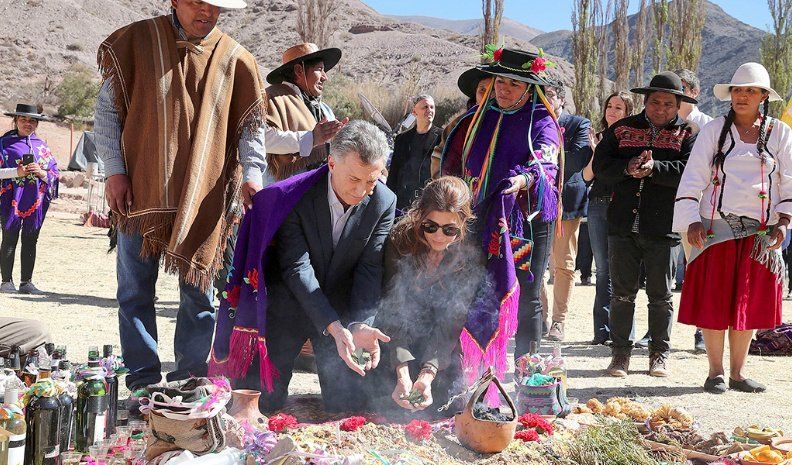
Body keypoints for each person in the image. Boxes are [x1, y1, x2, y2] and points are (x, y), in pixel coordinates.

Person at [93, 0, 268, 390]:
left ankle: (189, 379)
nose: (205, 11)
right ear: (173, 0)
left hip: (205, 197)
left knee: (199, 296)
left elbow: (251, 128)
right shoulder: (136, 41)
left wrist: (252, 174)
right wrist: (115, 172)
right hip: (139, 194)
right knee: (135, 291)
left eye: (214, 5)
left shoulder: (236, 59)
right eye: (195, 1)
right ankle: (142, 380)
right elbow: (107, 112)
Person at [210, 121, 396, 412]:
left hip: (342, 305)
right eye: (354, 179)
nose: (362, 191)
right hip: (290, 302)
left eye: (371, 181)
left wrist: (360, 325)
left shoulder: (384, 202)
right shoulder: (294, 195)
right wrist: (332, 327)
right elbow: (296, 266)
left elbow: (369, 268)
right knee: (262, 400)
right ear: (332, 163)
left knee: (349, 405)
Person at [673, 62, 791, 394]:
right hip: (716, 231)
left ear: (763, 96)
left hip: (760, 234)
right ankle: (715, 373)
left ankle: (738, 373)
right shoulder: (714, 131)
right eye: (738, 90)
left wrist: (783, 222)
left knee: (747, 302)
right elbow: (694, 176)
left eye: (750, 91)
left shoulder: (780, 133)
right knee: (715, 301)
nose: (742, 96)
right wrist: (691, 220)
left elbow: (789, 182)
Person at [442, 48, 561, 375]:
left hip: (526, 222)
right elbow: (451, 164)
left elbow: (545, 164)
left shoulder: (541, 121)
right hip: (477, 220)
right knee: (470, 292)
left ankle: (529, 376)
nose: (504, 89)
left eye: (514, 83)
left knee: (527, 298)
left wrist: (523, 179)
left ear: (529, 87)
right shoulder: (476, 119)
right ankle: (467, 372)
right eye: (500, 81)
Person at [593, 72, 697, 378]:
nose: (660, 108)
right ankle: (620, 355)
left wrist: (654, 169)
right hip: (622, 224)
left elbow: (689, 171)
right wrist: (627, 167)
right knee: (622, 293)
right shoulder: (622, 130)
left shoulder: (688, 134)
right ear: (645, 101)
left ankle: (658, 354)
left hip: (663, 227)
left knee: (661, 295)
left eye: (668, 103)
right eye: (655, 102)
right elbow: (601, 166)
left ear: (678, 104)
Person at [373, 176, 484, 418]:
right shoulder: (400, 241)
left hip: (439, 346)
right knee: (380, 402)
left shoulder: (467, 256)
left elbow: (451, 322)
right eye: (430, 226)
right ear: (420, 216)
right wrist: (402, 372)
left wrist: (427, 374)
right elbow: (392, 309)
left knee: (451, 405)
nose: (439, 237)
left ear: (463, 225)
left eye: (450, 230)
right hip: (397, 339)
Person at [539, 79, 592, 342]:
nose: (546, 101)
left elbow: (576, 160)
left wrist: (544, 155)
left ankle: (558, 322)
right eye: (542, 96)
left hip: (567, 203)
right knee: (536, 264)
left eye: (550, 95)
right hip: (535, 202)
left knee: (563, 265)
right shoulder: (533, 123)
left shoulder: (577, 125)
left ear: (561, 99)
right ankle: (540, 315)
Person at [581, 91, 634, 345]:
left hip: (622, 208)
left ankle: (623, 333)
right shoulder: (598, 139)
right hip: (597, 207)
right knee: (602, 270)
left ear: (628, 112)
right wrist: (596, 151)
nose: (612, 111)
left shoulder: (633, 140)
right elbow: (587, 177)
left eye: (619, 108)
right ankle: (600, 332)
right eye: (610, 106)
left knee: (621, 270)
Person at [263, 43, 349, 183]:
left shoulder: (324, 109)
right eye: (319, 69)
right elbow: (262, 139)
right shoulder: (272, 98)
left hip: (316, 193)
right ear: (299, 70)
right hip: (281, 193)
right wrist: (311, 138)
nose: (324, 77)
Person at [0, 104, 59, 295]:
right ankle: (6, 281)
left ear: (37, 124)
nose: (28, 123)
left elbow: (54, 174)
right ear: (16, 120)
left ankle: (26, 282)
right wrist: (15, 172)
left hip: (36, 201)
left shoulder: (42, 146)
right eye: (23, 119)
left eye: (32, 120)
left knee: (31, 239)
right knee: (9, 238)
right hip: (10, 200)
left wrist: (41, 173)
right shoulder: (3, 144)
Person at [675, 68, 714, 354]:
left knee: (698, 270)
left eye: (682, 88)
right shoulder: (663, 124)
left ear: (695, 93)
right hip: (665, 208)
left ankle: (702, 331)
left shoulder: (710, 127)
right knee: (659, 273)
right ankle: (656, 331)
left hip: (696, 211)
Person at [430, 68, 493, 180]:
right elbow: (439, 156)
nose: (486, 96)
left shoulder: (510, 124)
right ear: (475, 94)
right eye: (482, 89)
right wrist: (445, 186)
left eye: (492, 90)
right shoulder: (459, 125)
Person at [387, 95, 442, 210]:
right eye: (425, 107)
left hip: (429, 202)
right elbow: (394, 173)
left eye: (432, 107)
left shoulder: (442, 138)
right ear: (414, 111)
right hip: (402, 202)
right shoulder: (402, 139)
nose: (430, 110)